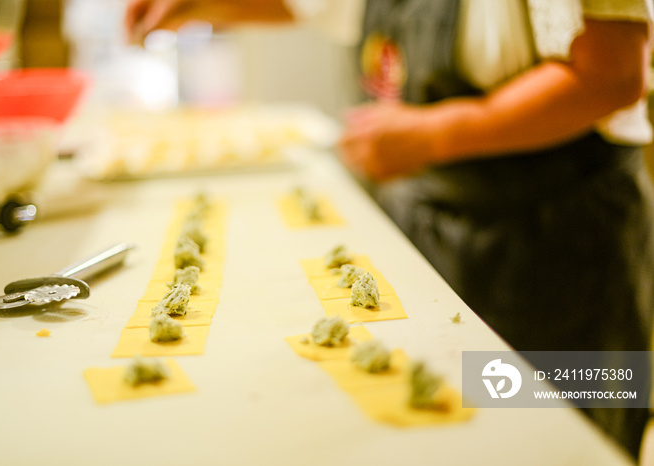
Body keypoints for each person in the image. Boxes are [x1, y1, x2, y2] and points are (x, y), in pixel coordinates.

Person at [125, 0, 654, 460]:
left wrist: (432, 135)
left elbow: (613, 74)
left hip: (563, 251)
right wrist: (199, 4)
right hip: (436, 231)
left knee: (558, 445)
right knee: (455, 438)